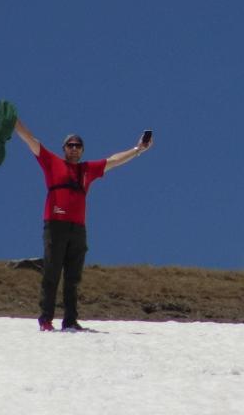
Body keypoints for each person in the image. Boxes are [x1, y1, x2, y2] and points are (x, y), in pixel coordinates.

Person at [14, 118, 153, 331]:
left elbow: (113, 161)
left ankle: (70, 320)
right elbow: (31, 140)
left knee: (73, 277)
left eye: (78, 146)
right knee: (52, 273)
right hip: (55, 225)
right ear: (64, 148)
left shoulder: (88, 170)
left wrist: (138, 149)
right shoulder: (52, 162)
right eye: (70, 145)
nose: (74, 149)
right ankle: (46, 319)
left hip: (78, 229)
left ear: (82, 150)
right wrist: (14, 122)